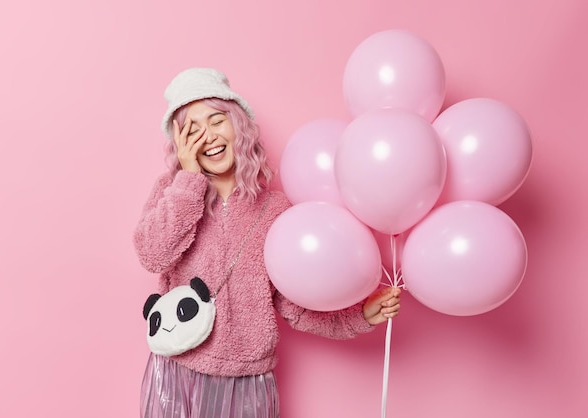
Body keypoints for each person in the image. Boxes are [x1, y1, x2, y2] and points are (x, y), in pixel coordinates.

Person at [134, 67, 401, 418]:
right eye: (192, 130)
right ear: (181, 144)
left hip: (246, 381)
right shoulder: (173, 191)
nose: (207, 137)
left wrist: (358, 317)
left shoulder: (275, 210)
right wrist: (187, 181)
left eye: (217, 121)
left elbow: (294, 305)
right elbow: (153, 253)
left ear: (237, 124)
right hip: (178, 372)